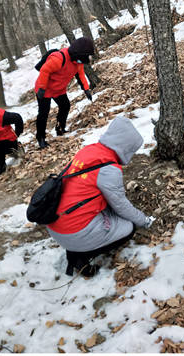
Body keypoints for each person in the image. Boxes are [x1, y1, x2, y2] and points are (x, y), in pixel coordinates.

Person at [46, 115, 154, 278]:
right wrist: (143, 220)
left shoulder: (89, 150)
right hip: (73, 231)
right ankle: (80, 256)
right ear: (125, 146)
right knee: (128, 228)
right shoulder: (109, 169)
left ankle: (78, 246)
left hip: (55, 223)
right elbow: (121, 206)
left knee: (110, 213)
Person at [34, 37, 94, 149]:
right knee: (43, 113)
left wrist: (86, 89)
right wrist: (41, 88)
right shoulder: (59, 58)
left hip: (59, 89)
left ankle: (60, 129)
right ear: (79, 54)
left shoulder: (77, 63)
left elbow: (80, 75)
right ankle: (41, 137)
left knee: (65, 106)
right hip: (44, 88)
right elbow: (44, 70)